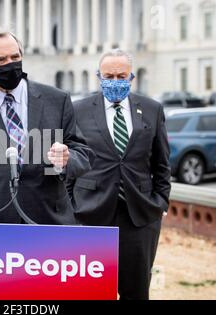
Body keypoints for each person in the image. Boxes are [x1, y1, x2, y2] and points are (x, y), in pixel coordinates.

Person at [0, 28, 94, 225]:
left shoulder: (57, 100)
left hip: (50, 224)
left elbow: (83, 154)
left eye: (15, 57)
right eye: (1, 60)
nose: (10, 64)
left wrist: (67, 159)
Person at [70, 49, 171, 300]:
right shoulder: (77, 110)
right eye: (109, 75)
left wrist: (160, 202)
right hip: (90, 215)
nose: (115, 81)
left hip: (139, 216)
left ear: (131, 77)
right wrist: (69, 206)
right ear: (98, 76)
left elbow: (162, 163)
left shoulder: (151, 109)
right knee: (92, 292)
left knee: (136, 291)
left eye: (121, 76)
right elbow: (69, 162)